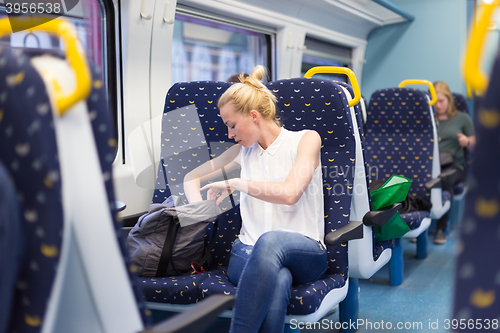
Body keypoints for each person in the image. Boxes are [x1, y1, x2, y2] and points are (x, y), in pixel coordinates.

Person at [183, 65, 327, 333]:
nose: (229, 134)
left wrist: (238, 183)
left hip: (305, 250)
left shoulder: (306, 140)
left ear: (253, 116)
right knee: (279, 278)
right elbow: (191, 178)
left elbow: (289, 194)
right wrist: (200, 216)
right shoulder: (241, 152)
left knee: (270, 242)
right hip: (246, 253)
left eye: (232, 125)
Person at [433, 81, 475, 244]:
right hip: (431, 165)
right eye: (434, 101)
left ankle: (441, 229)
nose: (438, 105)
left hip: (454, 166)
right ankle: (421, 225)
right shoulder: (428, 118)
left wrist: (467, 141)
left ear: (449, 100)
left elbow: (475, 143)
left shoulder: (461, 118)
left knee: (444, 179)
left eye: (441, 101)